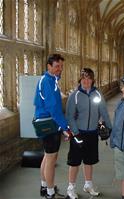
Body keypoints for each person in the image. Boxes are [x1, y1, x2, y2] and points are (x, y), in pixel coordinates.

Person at [65, 68, 112, 199]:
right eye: (83, 78)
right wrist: (75, 132)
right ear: (80, 80)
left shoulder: (97, 94)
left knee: (89, 160)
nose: (86, 81)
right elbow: (69, 116)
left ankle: (88, 185)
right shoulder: (74, 96)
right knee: (74, 162)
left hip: (92, 133)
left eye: (89, 78)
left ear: (92, 80)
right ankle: (71, 188)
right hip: (78, 134)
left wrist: (109, 128)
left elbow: (103, 112)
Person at [34, 54, 71, 199]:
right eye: (57, 66)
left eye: (61, 66)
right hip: (48, 123)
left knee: (47, 156)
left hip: (47, 122)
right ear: (49, 66)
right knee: (51, 158)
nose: (59, 69)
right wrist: (65, 128)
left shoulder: (51, 80)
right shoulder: (47, 82)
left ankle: (44, 186)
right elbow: (54, 108)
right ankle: (50, 192)